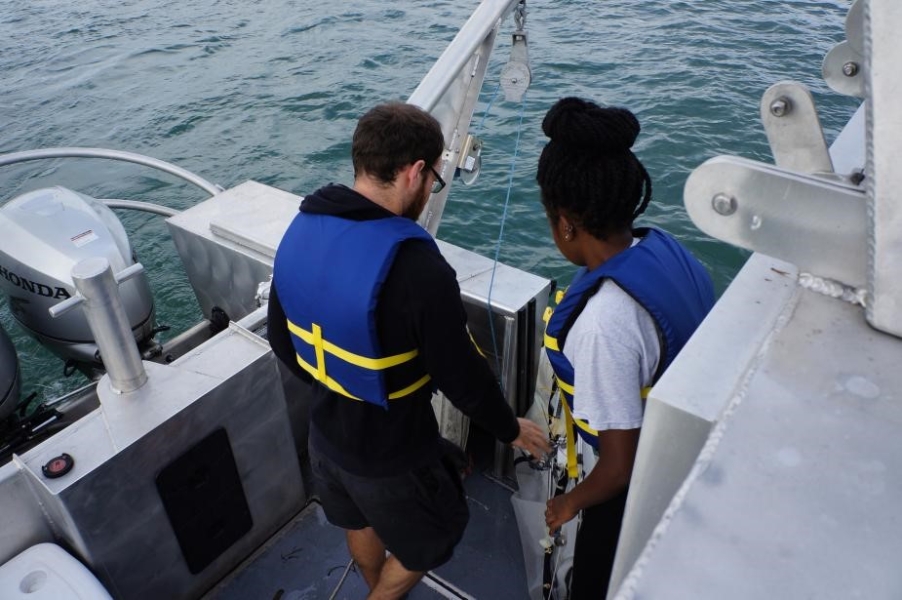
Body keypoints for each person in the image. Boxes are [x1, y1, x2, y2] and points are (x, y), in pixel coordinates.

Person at [267, 101, 550, 600]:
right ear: (415, 172)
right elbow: (463, 376)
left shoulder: (300, 230)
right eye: (434, 180)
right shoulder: (418, 267)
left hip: (325, 438)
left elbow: (281, 339)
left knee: (358, 518)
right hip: (391, 453)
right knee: (432, 541)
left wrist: (334, 385)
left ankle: (375, 585)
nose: (429, 191)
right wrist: (509, 429)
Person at [537, 97, 715, 598]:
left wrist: (568, 505)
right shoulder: (666, 249)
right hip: (686, 452)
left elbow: (619, 468)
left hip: (638, 489)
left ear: (566, 222)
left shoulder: (604, 324)